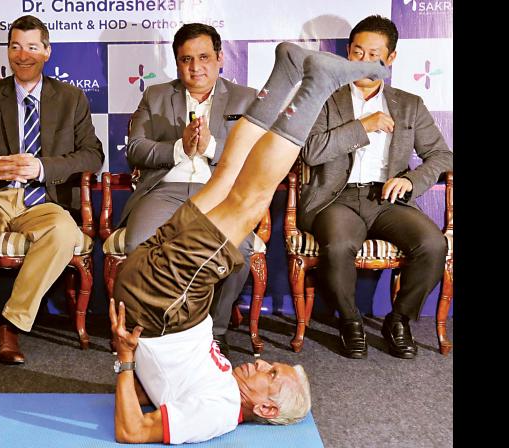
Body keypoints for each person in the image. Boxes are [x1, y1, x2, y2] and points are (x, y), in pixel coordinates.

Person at [111, 42, 390, 444]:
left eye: (271, 376)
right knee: (228, 178)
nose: (261, 363)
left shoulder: (220, 413)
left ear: (267, 410)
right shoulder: (223, 389)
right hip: (162, 299)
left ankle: (312, 82)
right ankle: (289, 74)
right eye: (273, 366)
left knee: (251, 196)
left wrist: (125, 362)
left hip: (165, 302)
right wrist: (134, 366)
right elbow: (153, 392)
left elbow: (131, 431)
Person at [0, 15, 104, 383]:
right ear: (8, 51)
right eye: (15, 46)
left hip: (43, 200)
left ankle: (10, 325)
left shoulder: (71, 98)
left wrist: (41, 167)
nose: (23, 55)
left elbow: (93, 154)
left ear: (47, 51)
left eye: (32, 47)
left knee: (64, 233)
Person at [300, 15, 452, 359]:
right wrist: (361, 126)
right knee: (338, 246)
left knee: (431, 244)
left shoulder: (409, 104)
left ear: (391, 58)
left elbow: (443, 155)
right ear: (347, 54)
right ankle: (350, 321)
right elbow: (310, 151)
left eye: (374, 54)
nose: (365, 62)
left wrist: (410, 180)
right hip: (335, 199)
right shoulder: (325, 97)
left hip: (386, 199)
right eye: (357, 52)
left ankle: (398, 320)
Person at [120, 23, 258, 357]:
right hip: (164, 189)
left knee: (240, 249)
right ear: (177, 62)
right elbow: (135, 149)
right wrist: (179, 148)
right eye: (186, 59)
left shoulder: (246, 98)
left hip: (220, 192)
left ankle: (215, 331)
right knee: (139, 245)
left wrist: (211, 147)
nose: (195, 67)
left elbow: (256, 155)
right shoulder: (155, 96)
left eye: (204, 57)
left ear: (220, 57)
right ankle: (155, 330)